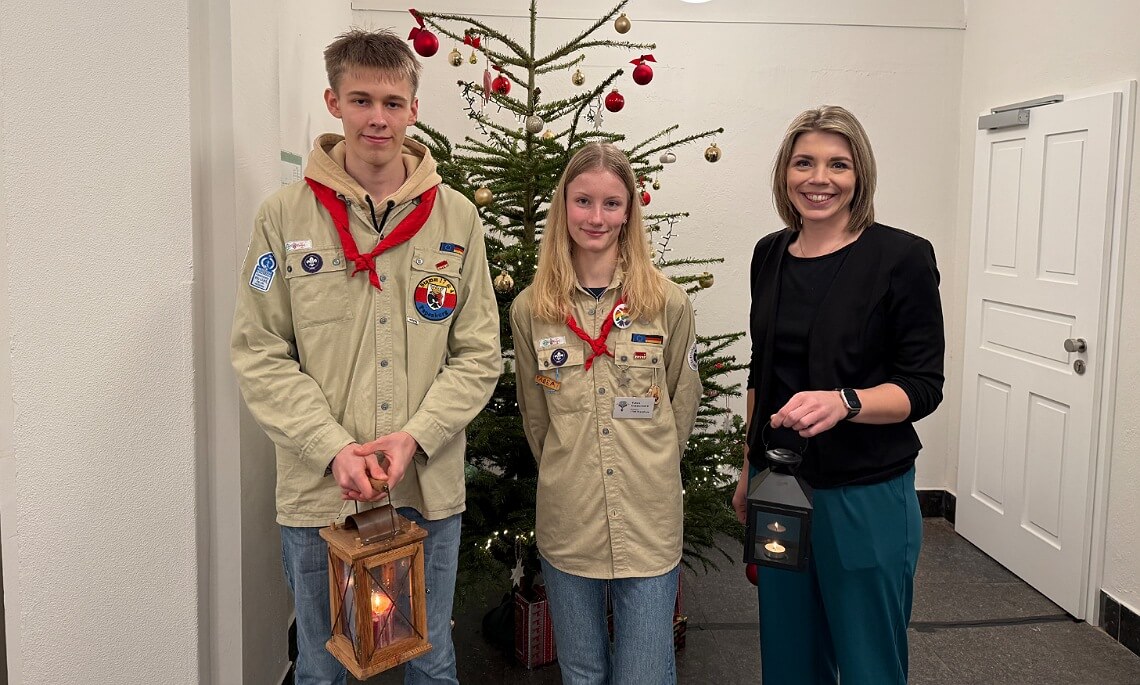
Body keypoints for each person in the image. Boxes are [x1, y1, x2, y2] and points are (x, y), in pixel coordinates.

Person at [230, 28, 501, 685]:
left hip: (424, 488)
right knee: (322, 666)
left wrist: (415, 436)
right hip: (321, 492)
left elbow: (478, 352)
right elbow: (259, 350)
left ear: (413, 109)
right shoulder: (283, 218)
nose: (377, 117)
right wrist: (332, 447)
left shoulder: (457, 218)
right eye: (360, 99)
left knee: (431, 662)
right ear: (333, 101)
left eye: (391, 101)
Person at [732, 105, 945, 684]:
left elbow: (923, 386)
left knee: (869, 661)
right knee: (788, 656)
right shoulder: (769, 254)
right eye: (804, 162)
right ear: (785, 173)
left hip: (866, 496)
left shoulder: (901, 256)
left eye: (837, 164)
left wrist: (845, 401)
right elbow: (763, 371)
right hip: (782, 489)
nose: (818, 178)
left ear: (860, 176)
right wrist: (748, 469)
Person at [509, 142, 703, 685]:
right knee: (582, 671)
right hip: (570, 519)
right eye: (584, 201)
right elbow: (536, 417)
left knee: (644, 672)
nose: (596, 218)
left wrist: (652, 460)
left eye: (612, 204)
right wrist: (571, 468)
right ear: (563, 206)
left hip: (648, 517)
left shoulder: (666, 302)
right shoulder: (532, 308)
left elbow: (680, 400)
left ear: (629, 212)